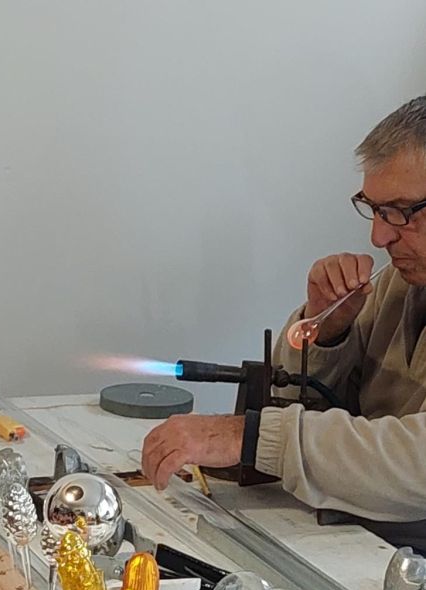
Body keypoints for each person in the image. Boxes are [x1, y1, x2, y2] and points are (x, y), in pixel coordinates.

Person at [142, 96, 426, 552]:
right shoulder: (401, 282)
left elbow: (416, 466)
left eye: (399, 212)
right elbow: (305, 398)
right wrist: (327, 331)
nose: (378, 236)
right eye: (373, 209)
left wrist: (251, 437)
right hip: (359, 539)